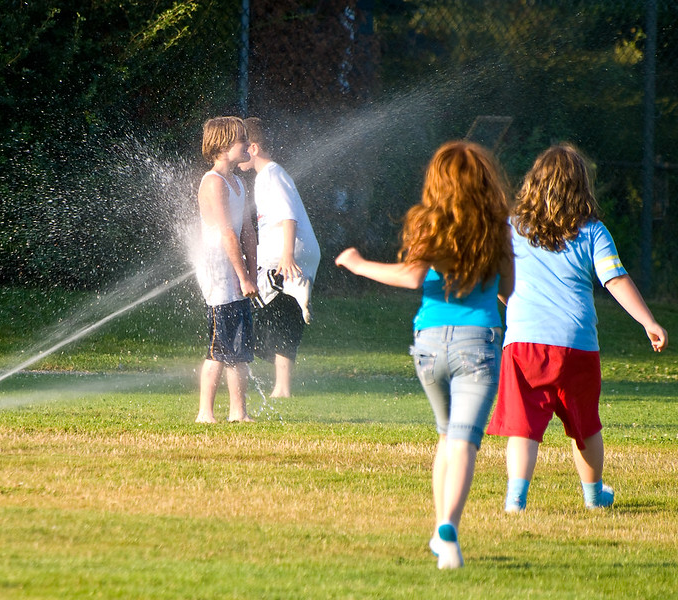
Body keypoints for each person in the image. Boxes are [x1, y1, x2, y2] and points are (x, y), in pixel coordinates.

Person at [335, 141, 514, 570]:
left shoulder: (428, 223)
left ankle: (439, 530)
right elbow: (509, 288)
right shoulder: (497, 225)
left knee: (445, 436)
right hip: (479, 344)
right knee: (465, 441)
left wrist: (359, 263)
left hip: (430, 346)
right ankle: (448, 528)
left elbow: (412, 276)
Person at [486, 143, 668, 512]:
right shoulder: (593, 231)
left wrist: (514, 306)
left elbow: (497, 281)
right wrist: (648, 321)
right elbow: (615, 279)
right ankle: (593, 497)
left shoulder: (511, 228)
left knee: (523, 428)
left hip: (523, 346)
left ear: (533, 183)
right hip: (576, 345)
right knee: (585, 427)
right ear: (581, 187)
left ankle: (515, 500)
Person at [238, 117, 321, 398]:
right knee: (281, 317)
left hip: (286, 257)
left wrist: (287, 255)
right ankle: (282, 388)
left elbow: (288, 215)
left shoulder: (271, 175)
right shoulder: (269, 175)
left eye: (239, 146)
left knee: (253, 309)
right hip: (286, 257)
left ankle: (278, 384)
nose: (235, 154)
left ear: (253, 148)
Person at [194, 116, 259, 423]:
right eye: (241, 140)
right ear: (222, 146)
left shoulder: (238, 182)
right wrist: (242, 275)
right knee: (219, 346)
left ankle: (238, 412)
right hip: (220, 273)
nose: (247, 144)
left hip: (237, 272)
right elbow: (227, 234)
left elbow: (247, 231)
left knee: (240, 347)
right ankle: (205, 413)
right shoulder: (213, 183)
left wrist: (253, 274)